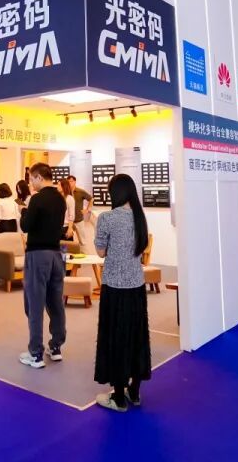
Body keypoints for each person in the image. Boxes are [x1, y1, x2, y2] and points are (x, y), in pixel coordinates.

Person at [93, 173, 152, 412]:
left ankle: (118, 398)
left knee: (115, 339)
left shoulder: (106, 218)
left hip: (115, 289)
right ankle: (134, 392)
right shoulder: (140, 217)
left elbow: (100, 252)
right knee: (137, 338)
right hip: (136, 287)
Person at [18, 163, 67, 369]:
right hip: (56, 255)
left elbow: (26, 226)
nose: (31, 183)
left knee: (35, 304)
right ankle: (55, 347)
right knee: (56, 303)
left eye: (32, 179)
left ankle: (35, 353)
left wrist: (23, 211)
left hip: (37, 255)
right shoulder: (61, 199)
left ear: (39, 177)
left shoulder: (37, 199)